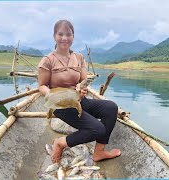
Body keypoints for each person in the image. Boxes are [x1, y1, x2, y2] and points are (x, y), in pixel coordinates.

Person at [37, 19, 121, 163]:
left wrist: (81, 89)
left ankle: (99, 153)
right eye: (60, 34)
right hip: (61, 106)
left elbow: (82, 82)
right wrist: (53, 95)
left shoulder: (79, 58)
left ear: (73, 37)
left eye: (68, 34)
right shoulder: (47, 61)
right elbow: (42, 85)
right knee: (98, 129)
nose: (64, 38)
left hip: (78, 102)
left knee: (111, 107)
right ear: (54, 36)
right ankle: (61, 143)